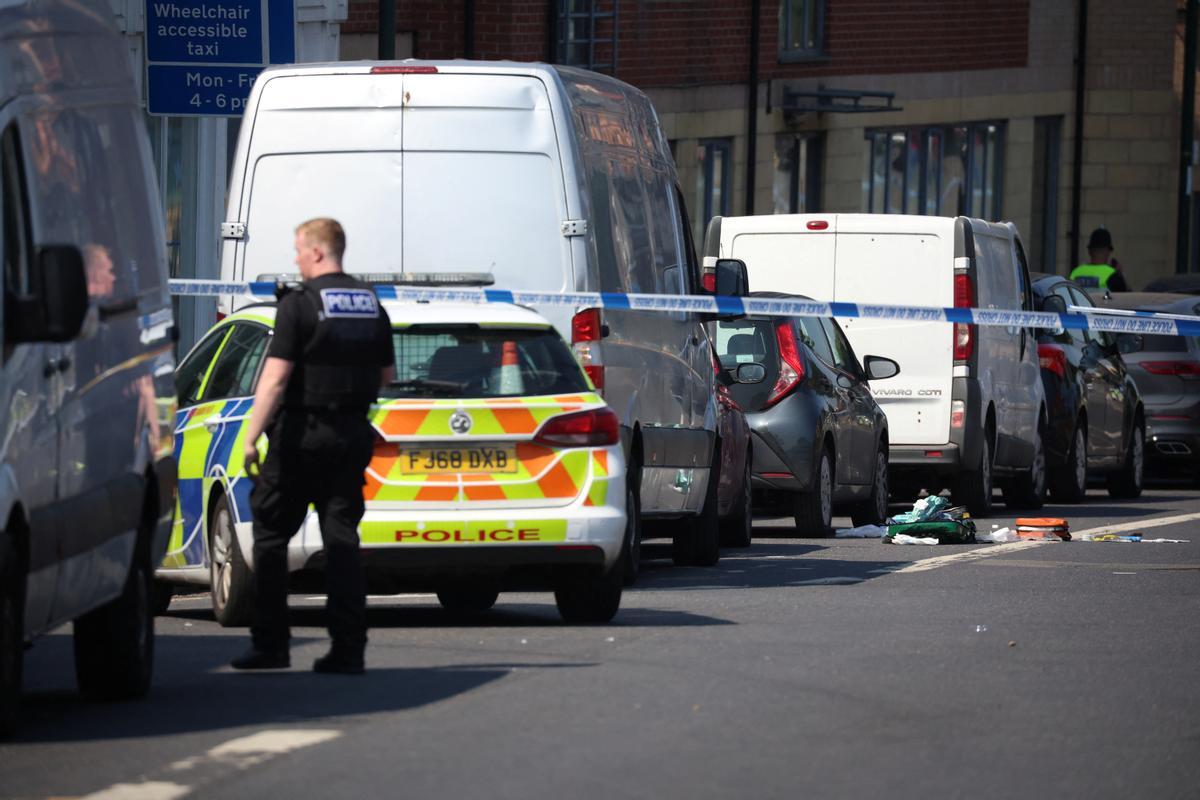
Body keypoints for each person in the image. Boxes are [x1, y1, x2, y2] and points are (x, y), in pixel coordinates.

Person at [231, 218, 395, 674]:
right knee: (341, 537)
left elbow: (275, 379)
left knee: (269, 534)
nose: (296, 259)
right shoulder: (370, 304)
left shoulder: (298, 305)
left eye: (299, 251)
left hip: (301, 436)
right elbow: (387, 377)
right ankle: (348, 648)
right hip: (351, 434)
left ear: (318, 252)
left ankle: (271, 645)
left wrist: (249, 437)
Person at [1070, 227, 1129, 292]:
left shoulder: (1075, 273)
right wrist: (1121, 276)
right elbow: (1127, 298)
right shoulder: (1112, 274)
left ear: (1089, 251)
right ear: (1109, 251)